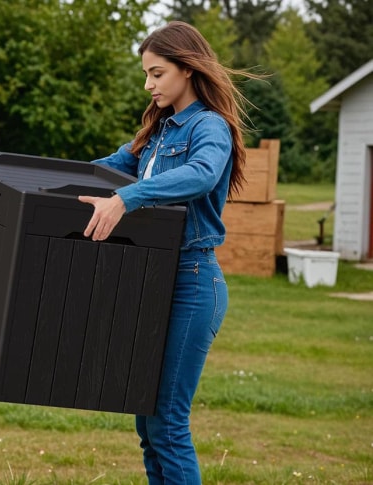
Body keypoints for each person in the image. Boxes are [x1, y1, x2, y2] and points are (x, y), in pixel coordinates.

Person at [79, 20, 254, 484]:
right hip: (153, 280)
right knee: (147, 418)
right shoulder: (155, 135)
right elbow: (99, 172)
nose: (148, 84)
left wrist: (129, 197)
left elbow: (200, 173)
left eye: (157, 73)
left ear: (188, 69)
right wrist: (27, 177)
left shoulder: (208, 127)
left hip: (193, 283)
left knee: (168, 422)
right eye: (146, 74)